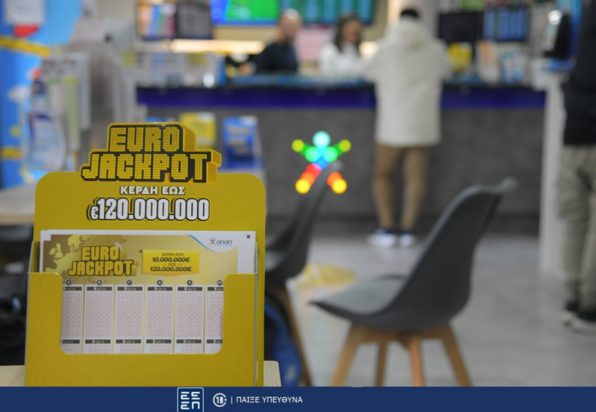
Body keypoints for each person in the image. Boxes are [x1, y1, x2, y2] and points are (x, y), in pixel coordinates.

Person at [362, 8, 450, 248]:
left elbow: (365, 73)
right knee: (415, 178)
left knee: (382, 175)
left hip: (392, 122)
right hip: (421, 121)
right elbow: (447, 72)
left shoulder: (384, 48)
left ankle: (387, 228)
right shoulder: (435, 48)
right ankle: (408, 229)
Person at [559, 0, 596, 332]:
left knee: (575, 221)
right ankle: (589, 305)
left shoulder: (581, 17)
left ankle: (571, 297)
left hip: (573, 136)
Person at [255, 9, 302, 74]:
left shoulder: (291, 50)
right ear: (280, 26)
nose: (292, 29)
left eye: (295, 26)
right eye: (289, 26)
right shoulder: (269, 51)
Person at [318, 14, 363, 78]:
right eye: (351, 29)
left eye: (357, 32)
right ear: (341, 30)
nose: (354, 31)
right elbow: (326, 76)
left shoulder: (356, 50)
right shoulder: (329, 50)